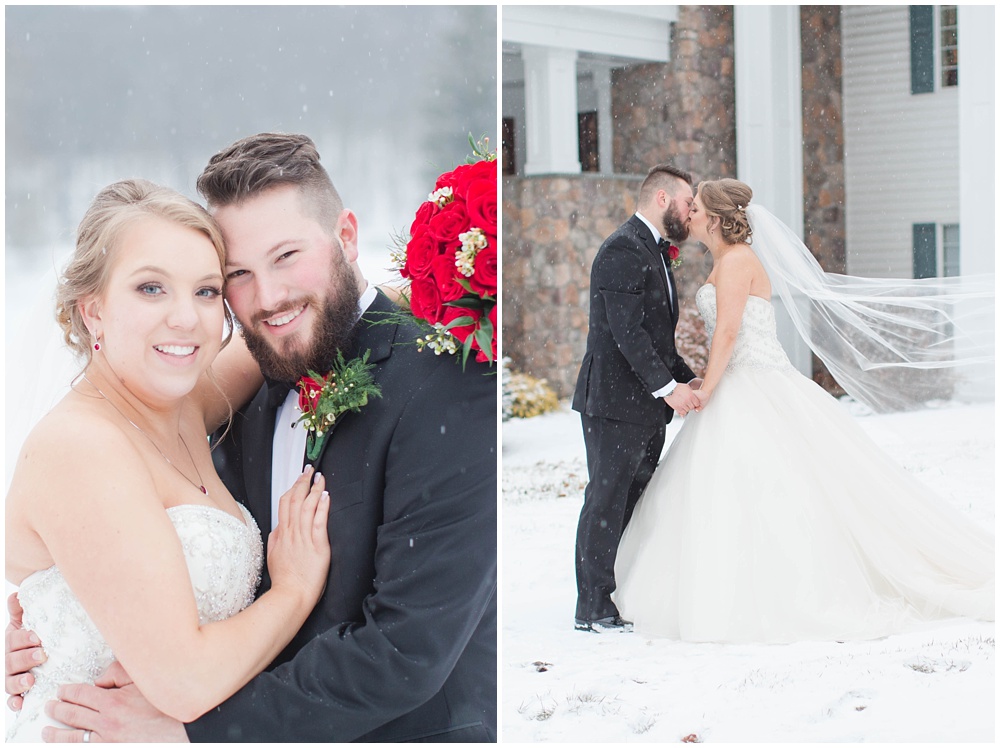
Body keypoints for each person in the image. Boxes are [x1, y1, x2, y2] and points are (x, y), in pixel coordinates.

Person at [7, 133, 498, 741]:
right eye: (236, 274)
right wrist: (61, 622)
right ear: (93, 309)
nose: (265, 297)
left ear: (346, 237)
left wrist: (196, 730)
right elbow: (171, 657)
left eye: (207, 290)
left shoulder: (199, 400)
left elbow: (407, 650)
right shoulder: (126, 426)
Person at [4, 179, 333, 742]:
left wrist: (448, 277)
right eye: (151, 288)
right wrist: (293, 591)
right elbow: (184, 681)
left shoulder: (182, 403)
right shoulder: (81, 448)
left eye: (206, 291)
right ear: (93, 310)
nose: (186, 318)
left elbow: (282, 332)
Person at [613, 178, 994, 643]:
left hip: (752, 385)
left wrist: (706, 390)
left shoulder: (736, 263)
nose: (686, 214)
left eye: (694, 208)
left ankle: (773, 593)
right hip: (741, 384)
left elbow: (728, 336)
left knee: (773, 487)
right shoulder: (726, 261)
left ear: (712, 218)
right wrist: (700, 382)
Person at [570, 164, 703, 632]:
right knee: (606, 500)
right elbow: (626, 333)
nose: (691, 213)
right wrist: (670, 390)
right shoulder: (623, 248)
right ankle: (592, 606)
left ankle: (621, 590)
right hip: (612, 404)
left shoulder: (657, 252)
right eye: (688, 203)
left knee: (635, 499)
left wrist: (692, 381)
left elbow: (657, 340)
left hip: (646, 406)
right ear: (662, 199)